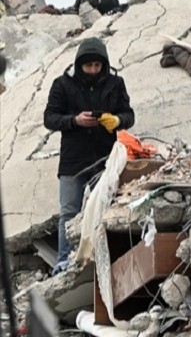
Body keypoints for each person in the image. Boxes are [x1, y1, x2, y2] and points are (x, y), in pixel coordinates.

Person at [43, 37, 134, 270]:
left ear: (104, 64)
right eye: (88, 66)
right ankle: (64, 261)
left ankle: (103, 260)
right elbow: (49, 118)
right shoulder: (62, 84)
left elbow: (129, 115)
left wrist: (116, 120)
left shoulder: (115, 83)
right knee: (69, 212)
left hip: (104, 159)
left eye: (97, 66)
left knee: (104, 210)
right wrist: (75, 121)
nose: (93, 70)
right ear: (79, 64)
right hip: (73, 160)